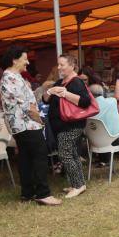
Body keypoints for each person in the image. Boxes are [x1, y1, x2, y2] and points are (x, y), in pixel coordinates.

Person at [0, 46, 61, 206]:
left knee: (25, 158)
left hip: (20, 125)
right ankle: (43, 193)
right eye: (25, 59)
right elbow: (28, 106)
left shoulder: (12, 76)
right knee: (40, 155)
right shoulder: (11, 77)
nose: (27, 62)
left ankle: (27, 194)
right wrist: (40, 120)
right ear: (14, 60)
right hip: (26, 124)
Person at [44, 54, 92, 199]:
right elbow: (45, 100)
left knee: (65, 154)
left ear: (72, 66)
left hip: (71, 125)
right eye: (58, 64)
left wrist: (66, 94)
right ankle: (78, 183)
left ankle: (78, 186)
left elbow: (85, 102)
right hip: (61, 126)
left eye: (62, 65)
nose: (59, 67)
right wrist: (49, 91)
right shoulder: (60, 82)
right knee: (72, 154)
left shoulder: (76, 82)